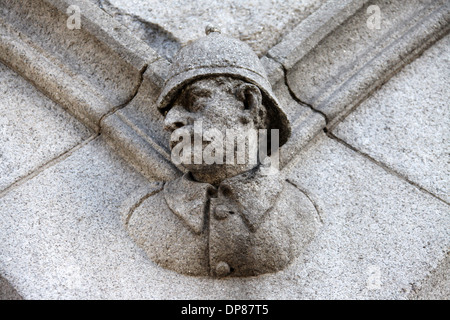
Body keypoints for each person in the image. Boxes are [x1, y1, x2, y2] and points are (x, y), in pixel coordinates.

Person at [126, 28, 319, 277]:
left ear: (248, 103)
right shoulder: (144, 215)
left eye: (195, 101)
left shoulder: (301, 212)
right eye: (169, 110)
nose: (170, 121)